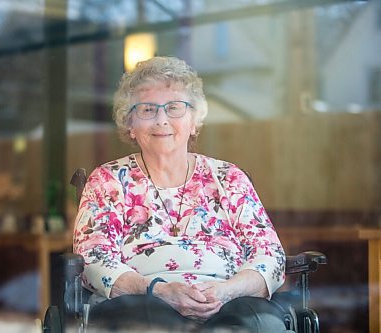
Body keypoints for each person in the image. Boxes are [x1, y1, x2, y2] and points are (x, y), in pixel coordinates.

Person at [73, 56, 288, 332]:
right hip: (143, 301)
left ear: (194, 122)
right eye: (148, 109)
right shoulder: (109, 180)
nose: (161, 120)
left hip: (231, 299)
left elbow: (270, 256)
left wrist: (227, 291)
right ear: (130, 124)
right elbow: (93, 258)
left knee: (259, 324)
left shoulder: (229, 178)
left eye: (174, 108)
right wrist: (158, 291)